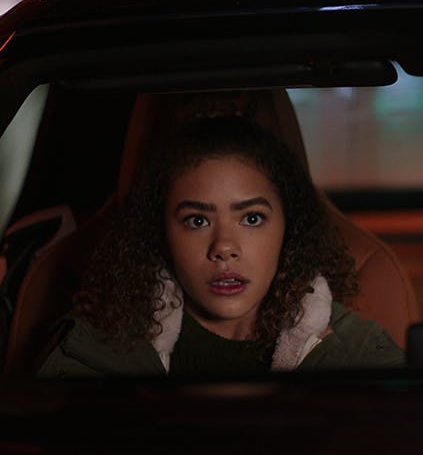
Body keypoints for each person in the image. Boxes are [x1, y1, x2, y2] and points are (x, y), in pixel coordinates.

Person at [39, 115, 404, 376]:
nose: (224, 247)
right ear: (161, 233)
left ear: (288, 228)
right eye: (198, 220)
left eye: (251, 218)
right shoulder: (96, 349)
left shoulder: (354, 351)